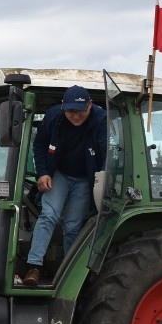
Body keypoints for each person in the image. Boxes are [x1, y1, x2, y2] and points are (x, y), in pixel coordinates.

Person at [24, 85, 107, 286]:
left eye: (80, 111)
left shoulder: (101, 119)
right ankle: (34, 266)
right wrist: (43, 172)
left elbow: (106, 152)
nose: (75, 116)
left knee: (72, 226)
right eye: (70, 111)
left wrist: (103, 181)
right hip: (59, 173)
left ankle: (68, 272)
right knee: (48, 215)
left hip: (85, 179)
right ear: (63, 106)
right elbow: (39, 145)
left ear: (90, 105)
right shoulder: (53, 117)